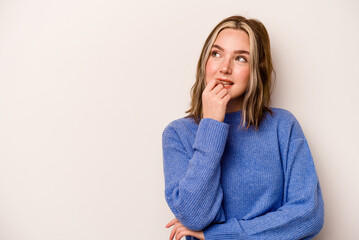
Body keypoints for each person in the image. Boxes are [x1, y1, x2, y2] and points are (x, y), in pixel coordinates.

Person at [162, 15, 324, 240]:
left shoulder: (282, 126)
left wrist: (219, 234)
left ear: (257, 68)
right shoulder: (178, 134)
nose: (224, 68)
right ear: (204, 62)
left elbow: (308, 216)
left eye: (240, 58)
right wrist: (211, 126)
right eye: (216, 54)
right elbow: (193, 218)